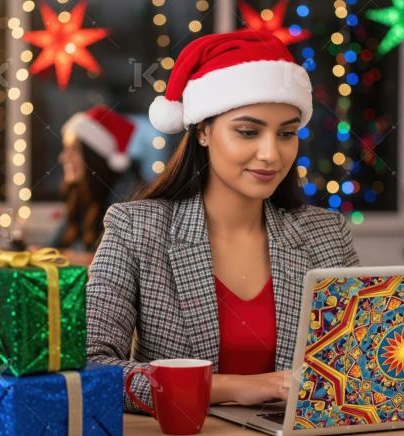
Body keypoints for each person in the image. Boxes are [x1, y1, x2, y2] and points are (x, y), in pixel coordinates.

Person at [86, 31, 360, 414]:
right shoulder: (137, 228)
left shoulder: (328, 234)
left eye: (286, 133)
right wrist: (229, 387)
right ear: (202, 131)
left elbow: (356, 367)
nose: (271, 154)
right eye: (248, 131)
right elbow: (91, 371)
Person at [50, 106, 146, 265]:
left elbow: (118, 262)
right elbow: (52, 246)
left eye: (73, 150)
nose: (63, 157)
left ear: (93, 155)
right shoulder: (80, 194)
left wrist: (64, 257)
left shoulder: (125, 197)